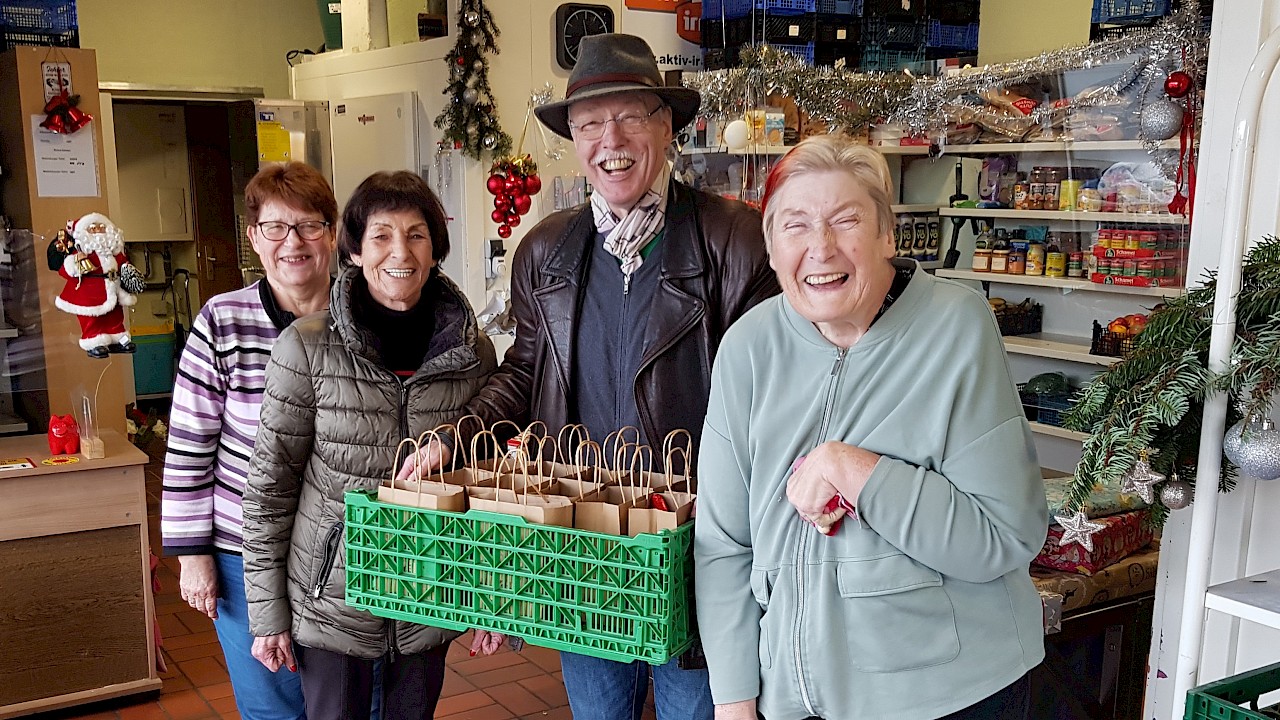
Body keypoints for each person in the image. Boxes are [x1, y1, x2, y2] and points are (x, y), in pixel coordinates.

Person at [399, 32, 779, 720]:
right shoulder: (546, 251)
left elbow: (773, 396)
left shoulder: (734, 240)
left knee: (697, 708)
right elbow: (522, 373)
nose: (612, 139)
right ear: (573, 137)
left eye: (631, 115)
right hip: (587, 548)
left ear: (665, 126)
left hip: (695, 549)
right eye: (590, 122)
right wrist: (453, 441)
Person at [693, 134, 1048, 720]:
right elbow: (724, 544)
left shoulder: (954, 328)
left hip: (951, 695)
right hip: (799, 699)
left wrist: (851, 469)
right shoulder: (748, 348)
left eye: (845, 220)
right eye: (796, 226)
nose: (821, 248)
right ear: (772, 249)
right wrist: (735, 699)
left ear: (887, 234)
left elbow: (1005, 535)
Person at [241, 170, 499, 720]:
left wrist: (491, 602)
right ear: (354, 250)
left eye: (417, 234)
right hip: (331, 602)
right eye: (380, 235)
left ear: (436, 250)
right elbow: (269, 492)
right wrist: (268, 615)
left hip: (431, 597)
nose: (399, 252)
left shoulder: (472, 353)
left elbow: (486, 492)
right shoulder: (306, 348)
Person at [161, 161, 338, 720]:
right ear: (255, 238)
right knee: (272, 705)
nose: (294, 242)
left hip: (344, 548)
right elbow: (190, 446)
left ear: (333, 235)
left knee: (354, 700)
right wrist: (194, 556)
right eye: (276, 228)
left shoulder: (362, 317)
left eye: (310, 225)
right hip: (244, 550)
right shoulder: (222, 320)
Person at [52, 212, 143, 358]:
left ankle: (119, 338)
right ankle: (94, 341)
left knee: (115, 316)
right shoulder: (82, 250)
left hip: (113, 287)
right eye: (93, 228)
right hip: (89, 292)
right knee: (92, 319)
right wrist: (75, 261)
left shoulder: (114, 251)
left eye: (102, 227)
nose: (98, 231)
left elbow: (122, 263)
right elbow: (66, 270)